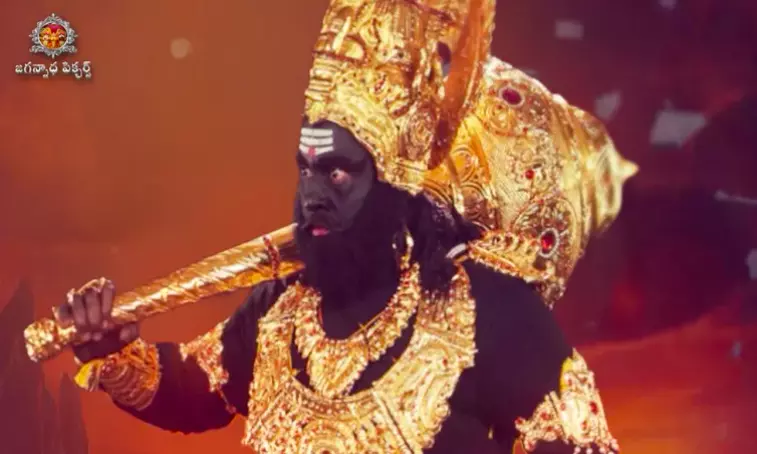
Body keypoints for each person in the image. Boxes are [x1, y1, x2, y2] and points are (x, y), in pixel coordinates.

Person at [59, 1, 619, 452]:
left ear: (394, 182)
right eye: (304, 170)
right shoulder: (280, 311)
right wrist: (110, 352)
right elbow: (194, 389)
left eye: (337, 173)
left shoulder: (487, 312)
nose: (311, 197)